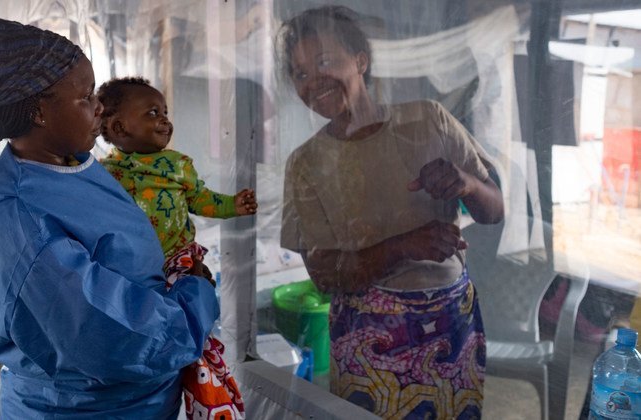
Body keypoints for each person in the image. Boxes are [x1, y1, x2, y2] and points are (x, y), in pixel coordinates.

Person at [0, 14, 218, 419]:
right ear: (39, 112)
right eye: (85, 98)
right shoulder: (20, 216)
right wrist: (195, 295)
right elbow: (115, 338)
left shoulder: (73, 164)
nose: (99, 109)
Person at [277, 6, 504, 419]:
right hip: (369, 341)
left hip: (452, 326)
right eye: (300, 73)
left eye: (325, 61)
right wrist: (404, 246)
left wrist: (466, 184)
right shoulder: (306, 162)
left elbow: (493, 210)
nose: (313, 82)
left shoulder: (427, 119)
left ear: (360, 60)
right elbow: (324, 276)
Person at [96, 77, 256, 419]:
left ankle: (215, 405)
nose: (165, 120)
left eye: (165, 112)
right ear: (120, 127)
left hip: (179, 260)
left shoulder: (177, 165)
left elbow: (200, 199)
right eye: (153, 112)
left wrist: (233, 206)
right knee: (154, 339)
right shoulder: (104, 173)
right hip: (136, 271)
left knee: (196, 345)